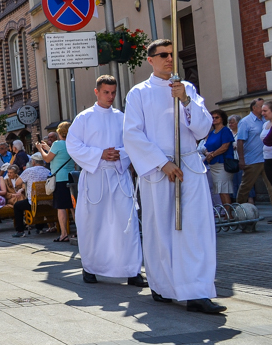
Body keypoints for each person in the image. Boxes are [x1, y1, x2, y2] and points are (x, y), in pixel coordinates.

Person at [122, 39, 226, 314]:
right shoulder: (139, 93)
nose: (170, 59)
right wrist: (160, 162)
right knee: (161, 229)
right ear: (151, 60)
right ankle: (162, 286)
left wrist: (186, 101)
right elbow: (132, 133)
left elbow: (203, 130)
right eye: (163, 55)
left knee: (195, 229)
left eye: (172, 54)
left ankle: (197, 290)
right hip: (159, 169)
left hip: (190, 165)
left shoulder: (187, 88)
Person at [66, 75, 145, 287]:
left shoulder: (122, 117)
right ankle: (90, 267)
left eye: (113, 93)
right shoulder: (84, 118)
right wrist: (100, 154)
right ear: (96, 92)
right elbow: (73, 146)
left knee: (126, 222)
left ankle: (132, 270)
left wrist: (120, 154)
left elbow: (133, 142)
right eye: (106, 92)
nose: (110, 97)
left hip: (119, 175)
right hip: (95, 176)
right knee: (93, 223)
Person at [36, 122, 75, 242]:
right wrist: (47, 148)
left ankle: (64, 234)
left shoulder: (57, 144)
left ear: (59, 132)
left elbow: (47, 158)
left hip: (60, 179)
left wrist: (40, 150)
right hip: (72, 177)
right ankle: (80, 232)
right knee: (73, 207)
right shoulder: (72, 143)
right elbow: (59, 154)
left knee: (61, 207)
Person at [236, 98, 272, 209]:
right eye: (261, 106)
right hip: (252, 160)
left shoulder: (266, 120)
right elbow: (240, 141)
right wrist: (241, 159)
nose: (263, 109)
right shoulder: (245, 121)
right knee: (245, 187)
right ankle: (239, 209)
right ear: (254, 108)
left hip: (267, 158)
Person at [7, 152, 52, 237]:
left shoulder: (29, 171)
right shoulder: (48, 171)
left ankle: (20, 231)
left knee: (17, 206)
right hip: (47, 202)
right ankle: (39, 228)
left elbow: (17, 183)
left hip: (34, 204)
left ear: (33, 162)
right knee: (39, 200)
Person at [203, 109, 236, 206]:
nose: (214, 119)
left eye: (217, 117)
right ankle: (225, 212)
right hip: (213, 165)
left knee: (223, 189)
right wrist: (207, 154)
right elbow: (206, 147)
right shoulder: (211, 133)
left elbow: (225, 147)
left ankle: (228, 215)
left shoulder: (225, 130)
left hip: (223, 164)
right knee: (219, 190)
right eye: (212, 117)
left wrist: (212, 155)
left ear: (222, 119)